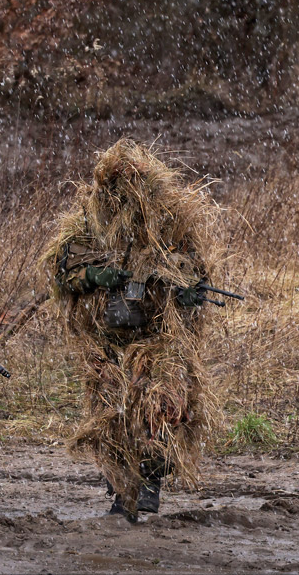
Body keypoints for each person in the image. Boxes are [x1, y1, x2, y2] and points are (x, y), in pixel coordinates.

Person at [42, 138, 221, 522]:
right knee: (111, 419)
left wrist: (188, 295)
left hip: (155, 340)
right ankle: (121, 492)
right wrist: (93, 276)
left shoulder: (170, 226)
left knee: (159, 411)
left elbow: (195, 275)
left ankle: (151, 482)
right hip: (105, 341)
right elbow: (63, 275)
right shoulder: (89, 227)